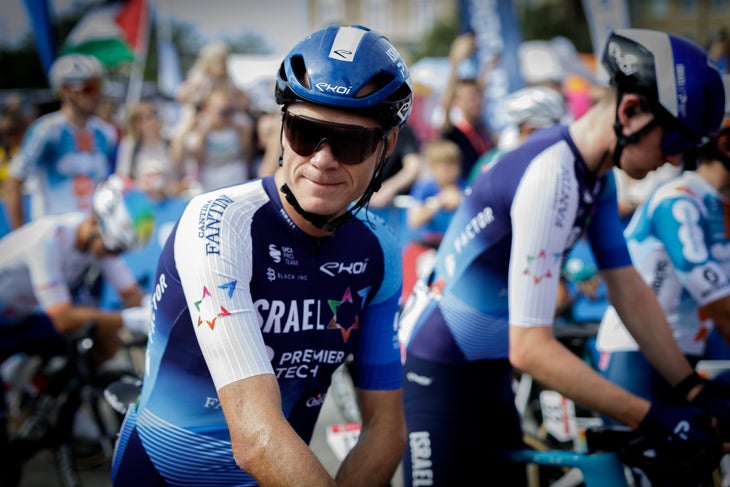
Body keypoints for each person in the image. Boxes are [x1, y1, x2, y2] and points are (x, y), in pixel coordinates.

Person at [398, 28, 728, 486]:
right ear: (631, 112)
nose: (675, 161)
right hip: (437, 361)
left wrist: (691, 387)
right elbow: (530, 348)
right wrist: (649, 417)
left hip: (489, 365)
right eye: (674, 144)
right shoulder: (553, 173)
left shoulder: (597, 176)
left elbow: (628, 289)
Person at [110, 24, 412, 487]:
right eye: (307, 132)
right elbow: (255, 437)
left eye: (351, 142)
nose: (323, 159)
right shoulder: (217, 222)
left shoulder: (378, 248)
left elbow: (385, 427)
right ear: (281, 129)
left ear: (386, 147)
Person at [0, 174, 155, 485]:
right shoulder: (50, 238)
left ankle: (46, 396)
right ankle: (17, 391)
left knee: (104, 339)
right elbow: (63, 318)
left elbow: (133, 296)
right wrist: (132, 320)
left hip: (21, 316)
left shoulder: (100, 241)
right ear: (95, 222)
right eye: (113, 250)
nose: (113, 257)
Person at [596, 74, 730, 416]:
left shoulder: (718, 204)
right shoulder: (678, 200)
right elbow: (718, 304)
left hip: (684, 352)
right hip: (637, 352)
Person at [3, 54, 117, 230]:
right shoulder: (46, 131)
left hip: (92, 235)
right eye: (89, 88)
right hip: (53, 236)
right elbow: (13, 183)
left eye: (99, 87)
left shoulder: (106, 133)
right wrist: (21, 234)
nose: (97, 95)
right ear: (66, 91)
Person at [466, 84, 568, 185]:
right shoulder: (495, 164)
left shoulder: (554, 162)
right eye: (552, 129)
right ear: (527, 127)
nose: (555, 135)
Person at [172, 87, 255, 193]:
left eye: (229, 110)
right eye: (222, 111)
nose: (226, 115)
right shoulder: (199, 132)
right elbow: (195, 159)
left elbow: (247, 153)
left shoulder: (238, 127)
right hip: (211, 187)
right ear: (207, 109)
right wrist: (203, 132)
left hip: (238, 185)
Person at [440, 31, 494, 179]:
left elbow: (480, 88)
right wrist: (455, 62)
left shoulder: (483, 129)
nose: (475, 101)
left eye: (478, 97)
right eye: (470, 98)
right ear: (456, 102)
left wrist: (487, 67)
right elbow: (446, 102)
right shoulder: (455, 132)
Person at [115, 99, 187, 200]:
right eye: (141, 119)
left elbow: (185, 177)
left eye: (152, 116)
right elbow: (122, 178)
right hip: (141, 205)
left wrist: (168, 190)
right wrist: (141, 187)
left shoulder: (172, 144)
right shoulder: (129, 146)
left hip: (170, 202)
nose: (149, 122)